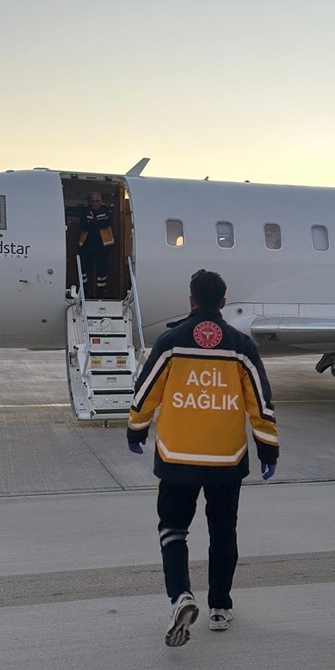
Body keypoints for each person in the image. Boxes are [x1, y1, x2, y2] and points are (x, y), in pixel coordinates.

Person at [126, 269, 279, 647]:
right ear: (223, 303)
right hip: (226, 460)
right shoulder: (241, 345)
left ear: (191, 300)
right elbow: (259, 403)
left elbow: (147, 392)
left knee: (173, 529)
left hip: (177, 458)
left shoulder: (171, 341)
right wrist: (268, 447)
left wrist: (136, 429)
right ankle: (220, 607)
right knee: (223, 531)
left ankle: (181, 595)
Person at [78, 191, 114, 299]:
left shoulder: (107, 211)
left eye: (97, 201)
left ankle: (100, 293)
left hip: (102, 246)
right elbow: (84, 225)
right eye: (93, 201)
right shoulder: (85, 211)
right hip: (86, 246)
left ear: (101, 201)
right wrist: (98, 223)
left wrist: (92, 223)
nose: (95, 203)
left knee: (102, 271)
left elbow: (107, 223)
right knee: (83, 269)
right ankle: (85, 291)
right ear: (90, 202)